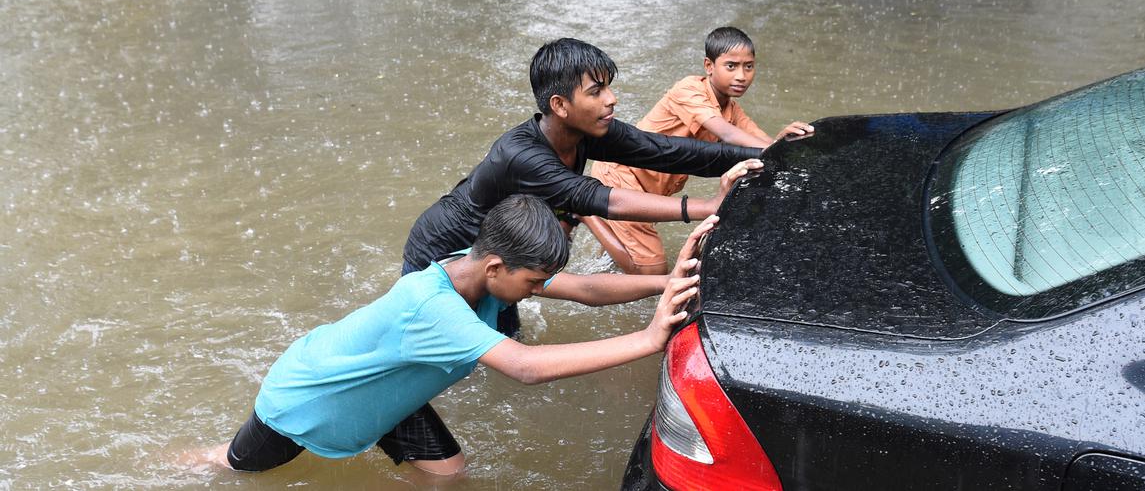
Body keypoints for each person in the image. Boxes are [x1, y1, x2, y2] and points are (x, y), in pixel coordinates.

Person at [207, 194, 710, 478]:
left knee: (449, 473)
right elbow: (524, 366)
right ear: (495, 266)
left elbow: (583, 288)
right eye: (532, 282)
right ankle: (189, 460)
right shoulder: (436, 308)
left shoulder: (477, 273)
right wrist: (648, 340)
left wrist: (671, 282)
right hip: (309, 400)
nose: (537, 290)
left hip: (390, 398)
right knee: (232, 470)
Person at [401, 38, 761, 334]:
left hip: (504, 250)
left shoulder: (588, 132)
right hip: (446, 249)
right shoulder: (521, 155)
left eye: (608, 87)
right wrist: (706, 207)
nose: (611, 99)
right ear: (560, 105)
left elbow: (666, 151)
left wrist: (766, 153)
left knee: (506, 335)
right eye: (596, 91)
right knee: (449, 345)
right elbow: (599, 199)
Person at [587, 27, 814, 274]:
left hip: (651, 189)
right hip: (622, 176)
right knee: (652, 272)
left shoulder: (732, 110)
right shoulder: (689, 89)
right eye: (731, 66)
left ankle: (602, 223)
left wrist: (786, 141)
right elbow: (726, 133)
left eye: (748, 66)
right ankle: (586, 215)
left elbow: (762, 144)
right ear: (709, 66)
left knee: (612, 265)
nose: (741, 75)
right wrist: (773, 146)